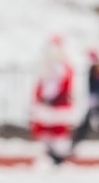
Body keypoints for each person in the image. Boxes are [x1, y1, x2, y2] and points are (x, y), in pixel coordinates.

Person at [31, 36, 75, 165]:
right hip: (47, 103)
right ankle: (49, 153)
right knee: (45, 128)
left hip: (57, 103)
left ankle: (57, 156)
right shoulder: (47, 67)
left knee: (57, 129)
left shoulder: (63, 68)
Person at [69, 49, 99, 159]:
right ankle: (74, 145)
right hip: (95, 101)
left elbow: (98, 88)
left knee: (95, 125)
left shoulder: (97, 70)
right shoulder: (97, 70)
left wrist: (95, 100)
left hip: (96, 101)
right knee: (89, 125)